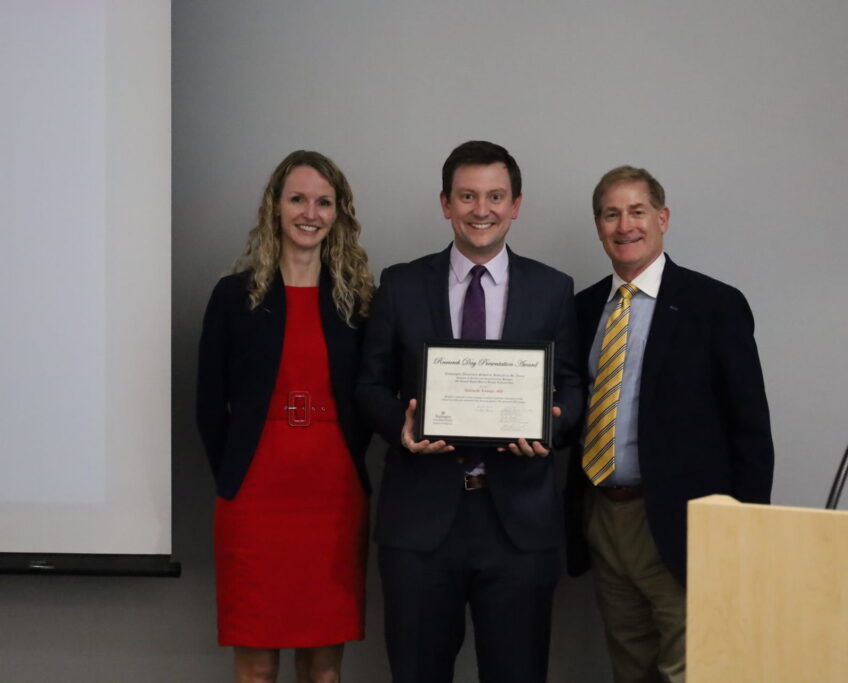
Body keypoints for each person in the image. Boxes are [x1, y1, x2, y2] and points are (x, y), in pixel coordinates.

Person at [356, 140, 583, 683]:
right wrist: (400, 428)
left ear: (516, 205)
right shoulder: (401, 284)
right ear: (445, 204)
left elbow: (574, 387)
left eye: (495, 196)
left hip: (519, 523)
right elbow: (368, 384)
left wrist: (551, 426)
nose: (482, 209)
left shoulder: (553, 290)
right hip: (420, 522)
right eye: (467, 196)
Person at [565, 166, 774, 683]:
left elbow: (750, 429)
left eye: (637, 211)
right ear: (597, 226)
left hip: (685, 524)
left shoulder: (715, 305)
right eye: (611, 214)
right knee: (630, 666)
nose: (625, 225)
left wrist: (743, 533)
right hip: (604, 517)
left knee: (691, 670)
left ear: (662, 218)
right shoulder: (581, 308)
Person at [196, 150, 375, 683]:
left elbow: (373, 397)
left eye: (324, 202)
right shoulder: (233, 297)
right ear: (275, 206)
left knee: (323, 665)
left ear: (339, 213)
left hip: (334, 498)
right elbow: (209, 406)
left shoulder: (359, 301)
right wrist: (232, 478)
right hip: (253, 498)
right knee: (255, 663)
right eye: (298, 199)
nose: (310, 213)